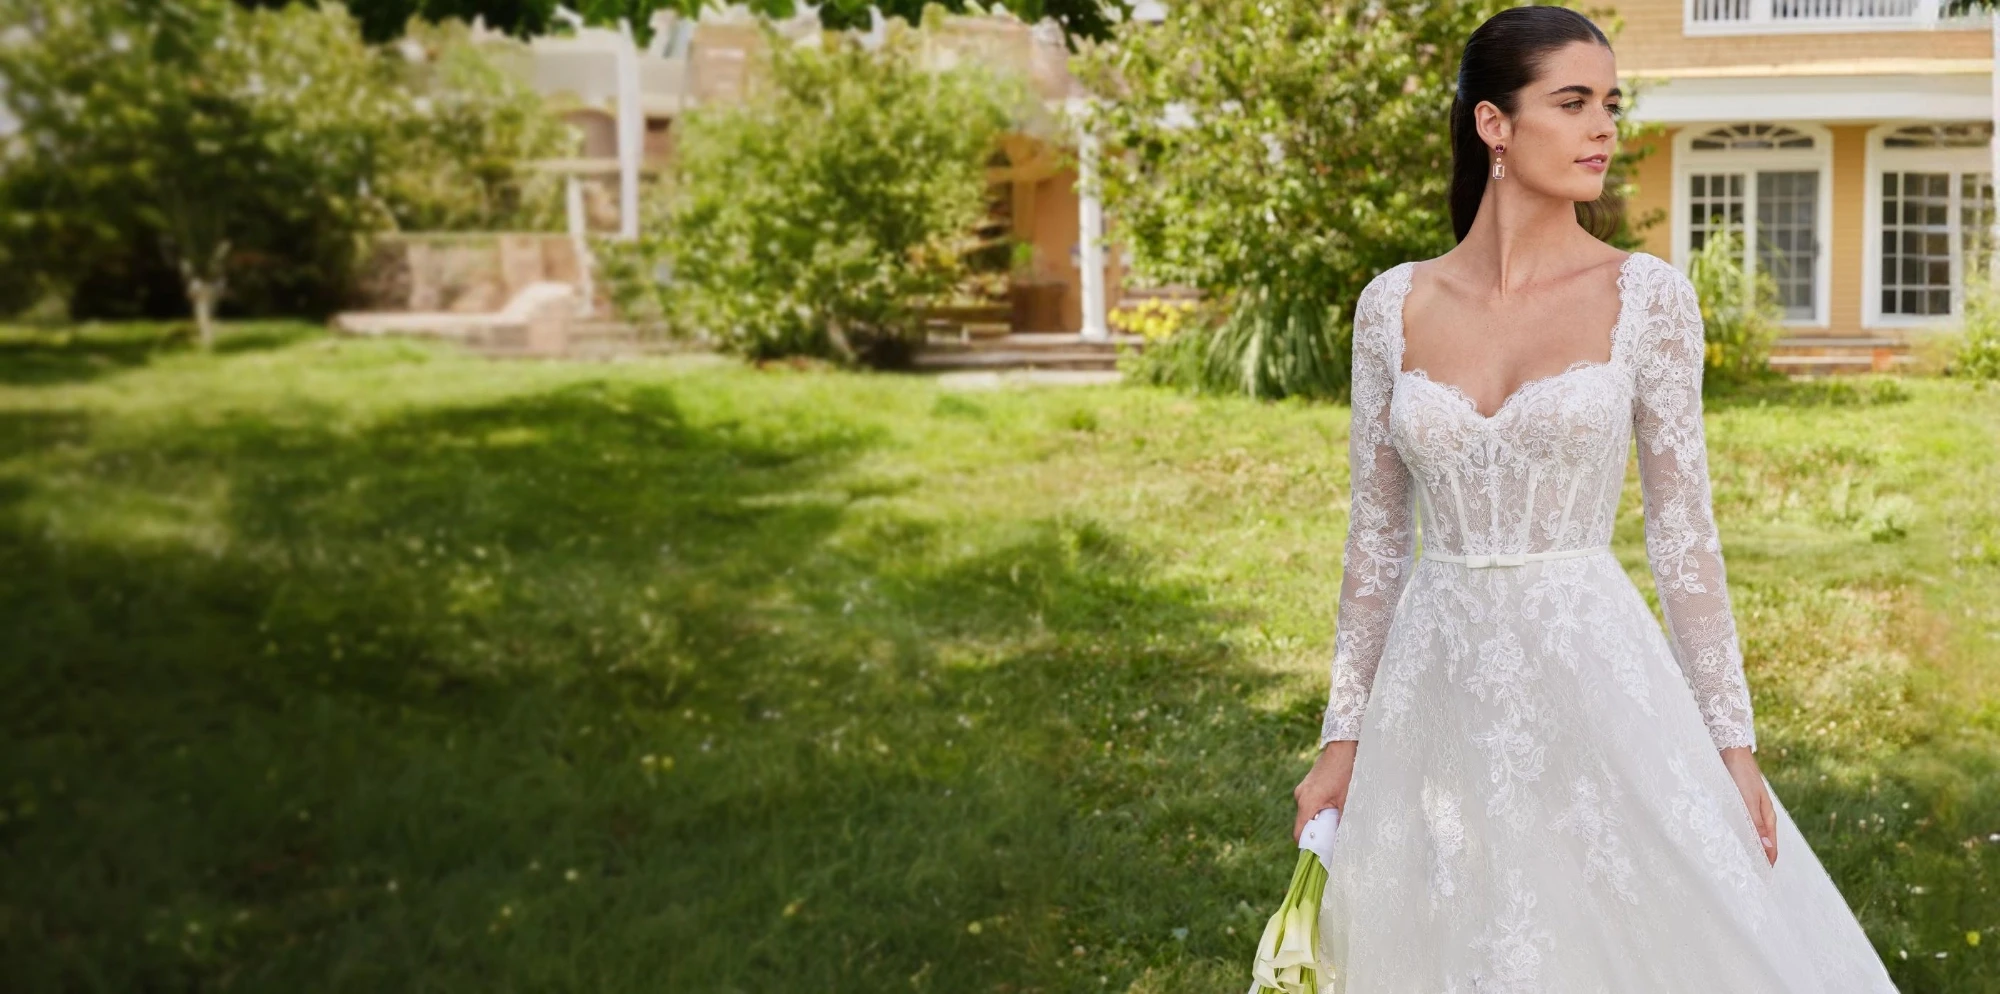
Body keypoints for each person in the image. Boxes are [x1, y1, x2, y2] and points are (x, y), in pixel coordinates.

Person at [1287, 6, 1903, 991]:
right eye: (1572, 103)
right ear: (1494, 124)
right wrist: (1342, 736)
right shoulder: (1391, 306)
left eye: (1610, 104)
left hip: (1591, 665)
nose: (1603, 129)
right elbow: (1374, 546)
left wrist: (1730, 745)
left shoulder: (1646, 299)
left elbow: (1683, 535)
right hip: (1433, 679)